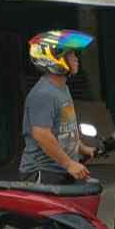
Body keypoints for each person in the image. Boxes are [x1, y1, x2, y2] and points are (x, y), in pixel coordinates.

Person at [19, 30, 96, 184]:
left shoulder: (62, 88)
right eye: (70, 55)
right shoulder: (43, 94)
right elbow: (41, 134)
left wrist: (81, 148)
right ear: (53, 60)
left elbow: (65, 128)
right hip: (43, 172)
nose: (76, 59)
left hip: (60, 169)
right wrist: (69, 164)